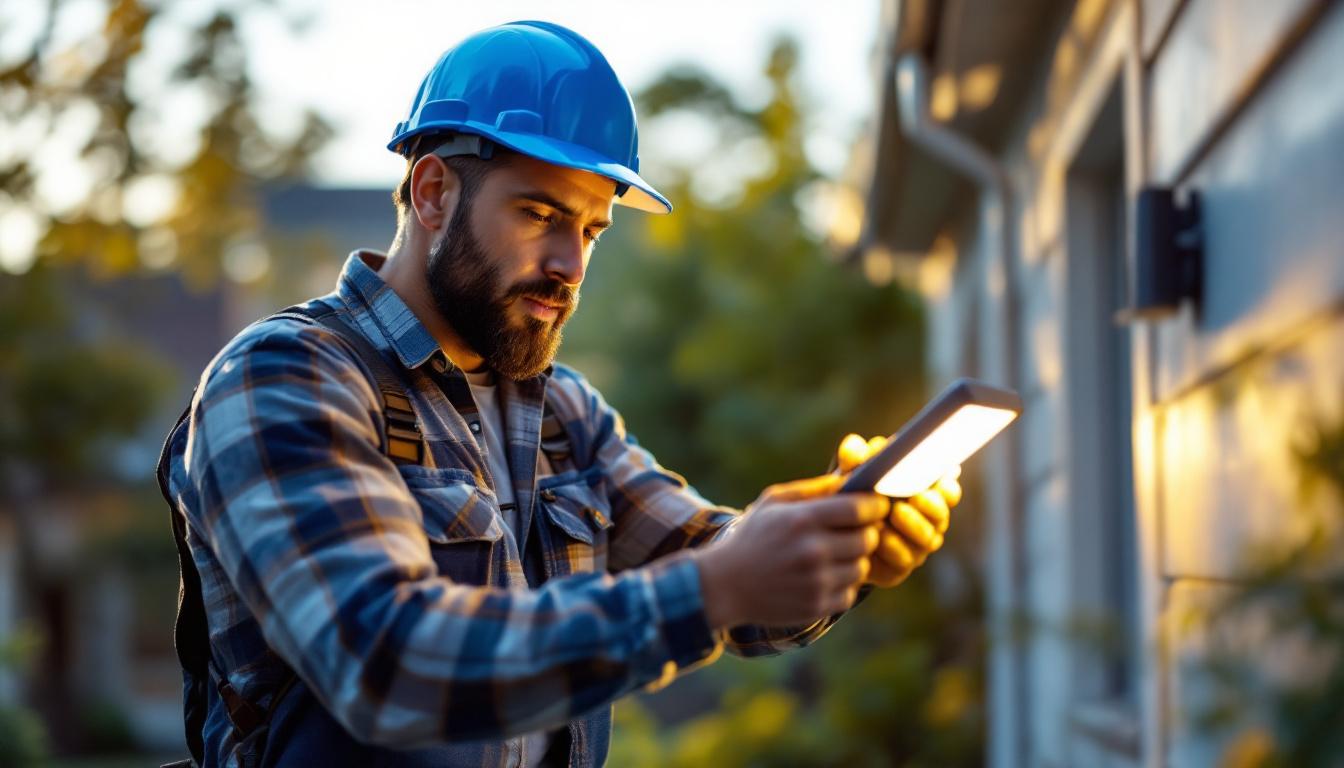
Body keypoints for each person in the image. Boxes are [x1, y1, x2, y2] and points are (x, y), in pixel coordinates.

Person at [162, 20, 962, 768]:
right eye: (540, 214)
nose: (570, 266)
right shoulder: (286, 377)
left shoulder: (562, 415)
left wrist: (837, 541)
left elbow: (719, 573)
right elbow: (384, 663)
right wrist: (718, 585)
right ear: (433, 193)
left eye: (589, 230)